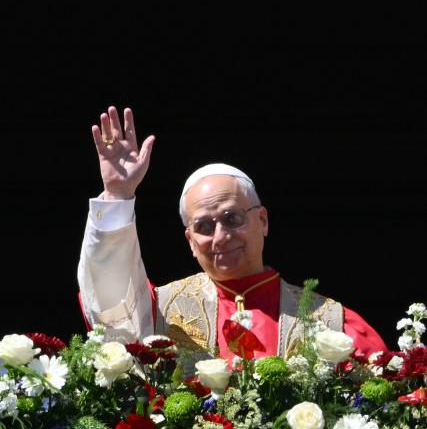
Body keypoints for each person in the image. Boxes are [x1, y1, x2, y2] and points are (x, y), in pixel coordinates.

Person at [78, 106, 388, 365]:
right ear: (190, 241)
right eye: (204, 226)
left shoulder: (333, 324)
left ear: (262, 220)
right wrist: (117, 195)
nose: (221, 236)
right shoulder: (157, 310)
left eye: (232, 218)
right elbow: (109, 300)